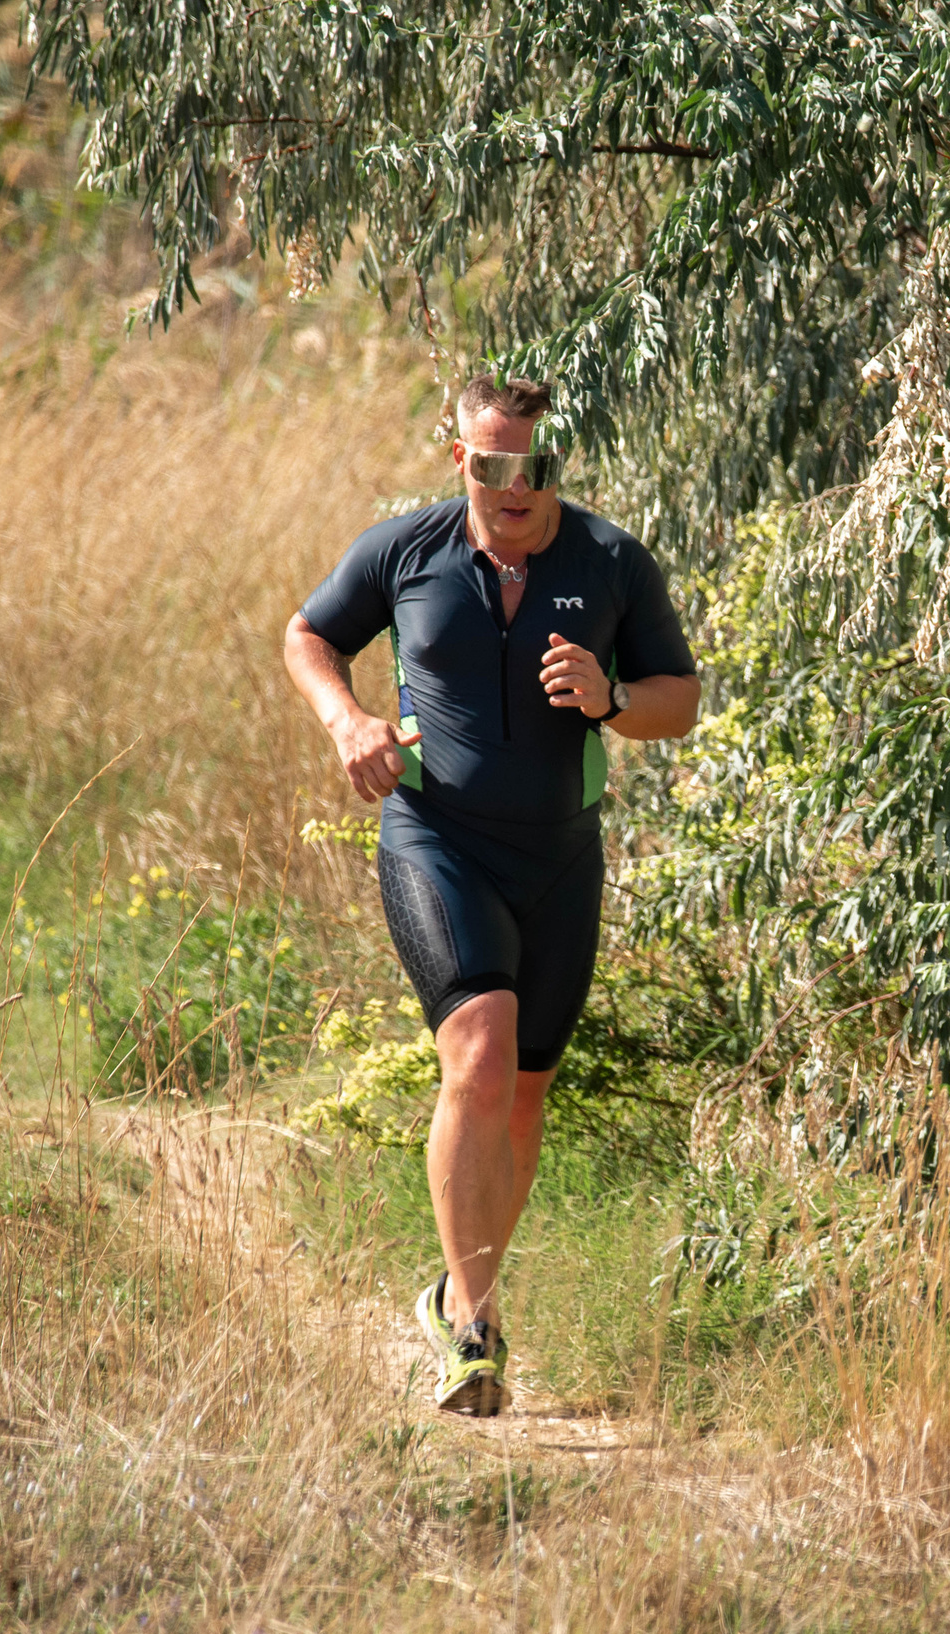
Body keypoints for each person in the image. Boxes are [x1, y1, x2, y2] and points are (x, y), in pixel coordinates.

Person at [282, 374, 699, 1415]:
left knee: (522, 1090)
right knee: (477, 1046)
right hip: (439, 838)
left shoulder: (608, 561)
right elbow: (308, 636)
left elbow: (679, 700)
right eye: (490, 462)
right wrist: (348, 721)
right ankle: (475, 1328)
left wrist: (612, 699)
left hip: (561, 857)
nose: (512, 487)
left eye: (533, 465)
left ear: (553, 461)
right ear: (455, 453)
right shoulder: (404, 550)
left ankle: (459, 1291)